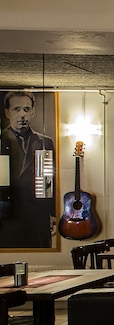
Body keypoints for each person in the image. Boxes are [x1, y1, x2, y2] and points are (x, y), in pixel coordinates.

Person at [0, 90, 56, 248]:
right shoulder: (2, 140)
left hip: (37, 217)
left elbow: (49, 181)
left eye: (26, 109)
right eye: (16, 109)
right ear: (7, 112)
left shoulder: (44, 142)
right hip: (7, 217)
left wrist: (52, 213)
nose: (22, 115)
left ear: (33, 112)